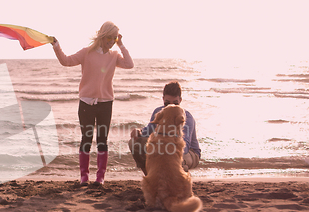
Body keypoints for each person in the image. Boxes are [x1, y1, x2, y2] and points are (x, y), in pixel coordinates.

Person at [52, 21, 134, 185]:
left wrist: (122, 44)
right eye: (109, 37)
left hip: (106, 103)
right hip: (86, 103)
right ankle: (84, 176)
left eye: (114, 38)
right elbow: (66, 61)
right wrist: (56, 46)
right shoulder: (86, 53)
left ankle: (100, 177)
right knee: (86, 139)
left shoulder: (114, 56)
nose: (111, 41)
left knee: (102, 140)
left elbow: (130, 64)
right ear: (103, 36)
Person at [128, 81, 201, 175]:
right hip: (165, 148)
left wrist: (164, 147)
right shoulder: (158, 112)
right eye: (167, 103)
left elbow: (184, 147)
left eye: (175, 104)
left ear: (180, 100)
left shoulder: (186, 117)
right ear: (163, 99)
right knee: (134, 143)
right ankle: (150, 177)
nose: (171, 107)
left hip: (189, 153)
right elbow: (147, 132)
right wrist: (138, 131)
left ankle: (181, 178)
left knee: (174, 159)